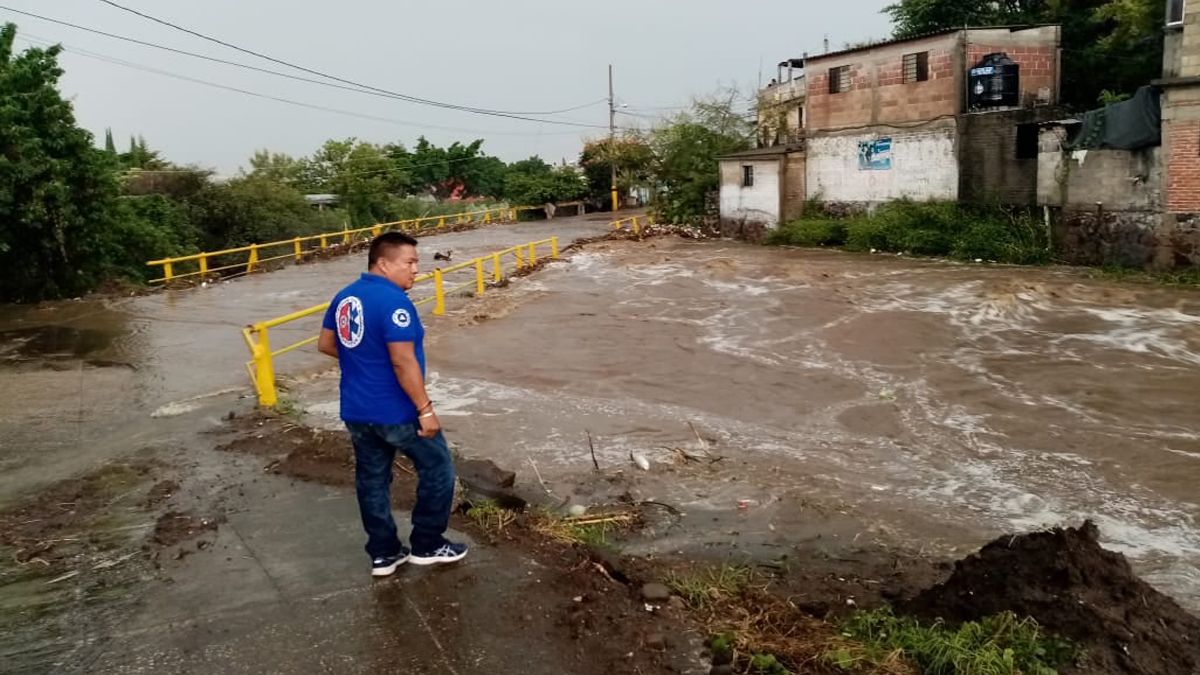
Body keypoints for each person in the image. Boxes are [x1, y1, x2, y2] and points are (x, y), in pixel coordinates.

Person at [317, 231, 468, 577]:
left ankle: (384, 554)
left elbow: (325, 344)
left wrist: (365, 360)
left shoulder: (345, 297)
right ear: (384, 264)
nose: (417, 270)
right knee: (438, 468)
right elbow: (403, 361)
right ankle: (428, 544)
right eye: (410, 262)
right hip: (396, 411)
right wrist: (425, 409)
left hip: (356, 410)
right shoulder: (395, 302)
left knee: (372, 480)